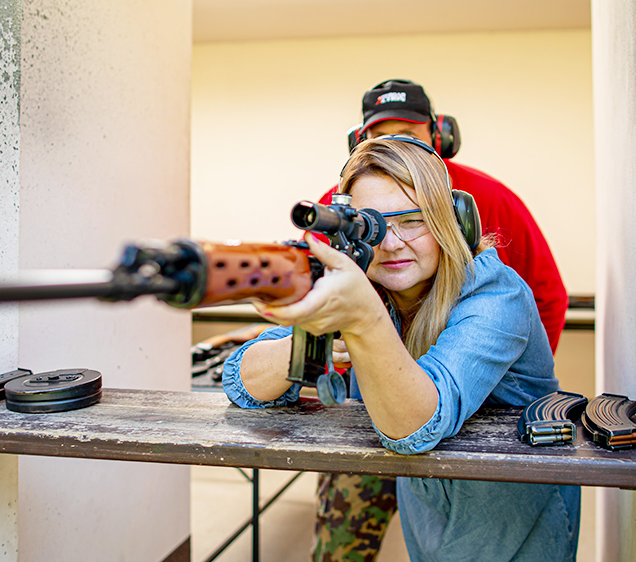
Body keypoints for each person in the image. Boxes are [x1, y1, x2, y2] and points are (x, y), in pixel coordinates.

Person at [221, 136, 580, 562]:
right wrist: (308, 342)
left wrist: (363, 321)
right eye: (372, 226)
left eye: (412, 220)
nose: (391, 243)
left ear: (451, 220)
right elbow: (241, 381)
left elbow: (417, 424)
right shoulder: (369, 288)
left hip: (513, 520)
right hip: (429, 513)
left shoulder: (497, 294)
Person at [311, 79, 569, 562]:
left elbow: (544, 296)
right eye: (380, 136)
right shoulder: (343, 204)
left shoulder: (489, 199)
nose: (391, 242)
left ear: (440, 135)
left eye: (413, 221)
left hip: (484, 455)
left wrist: (496, 365)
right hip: (378, 416)